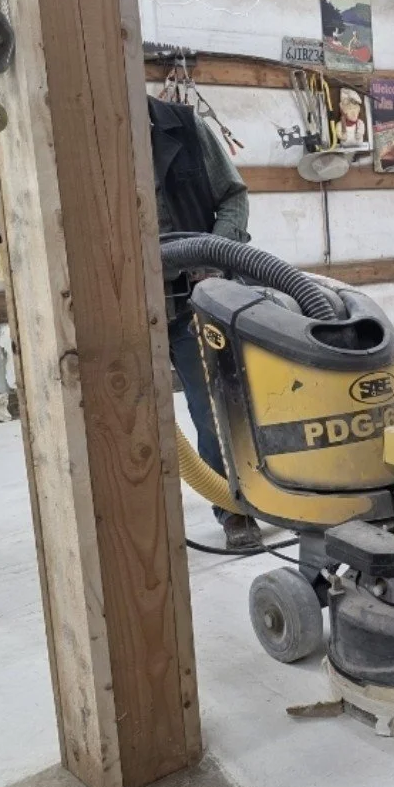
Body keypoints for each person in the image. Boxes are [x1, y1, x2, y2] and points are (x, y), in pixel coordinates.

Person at [149, 95, 263, 552]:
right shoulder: (79, 133)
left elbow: (232, 197)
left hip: (191, 296)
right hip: (121, 303)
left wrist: (213, 255)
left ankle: (233, 506)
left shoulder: (183, 126)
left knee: (214, 409)